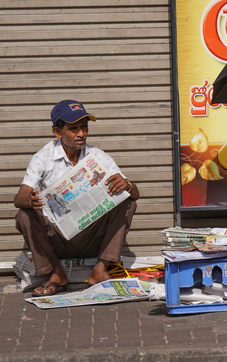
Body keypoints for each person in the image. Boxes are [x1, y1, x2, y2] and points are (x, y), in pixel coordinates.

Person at [13, 99, 140, 296]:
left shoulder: (97, 156)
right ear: (57, 132)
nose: (81, 134)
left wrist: (129, 185)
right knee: (23, 215)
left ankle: (100, 269)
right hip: (57, 239)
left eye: (84, 127)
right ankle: (56, 274)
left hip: (91, 237)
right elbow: (19, 197)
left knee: (127, 203)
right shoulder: (44, 156)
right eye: (74, 129)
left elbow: (135, 194)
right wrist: (29, 201)